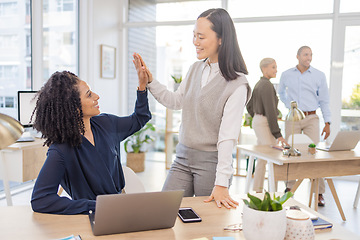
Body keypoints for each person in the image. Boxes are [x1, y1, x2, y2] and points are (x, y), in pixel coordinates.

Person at [133, 8, 251, 209]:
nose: (195, 42)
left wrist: (222, 182)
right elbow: (176, 101)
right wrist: (150, 80)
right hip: (182, 157)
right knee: (163, 211)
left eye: (201, 36)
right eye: (194, 36)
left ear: (221, 39)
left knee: (207, 222)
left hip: (211, 164)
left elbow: (227, 136)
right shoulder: (195, 69)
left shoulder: (237, 84)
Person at [31, 70, 151, 214]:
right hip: (93, 216)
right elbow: (40, 199)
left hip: (122, 208)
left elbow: (140, 118)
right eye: (89, 94)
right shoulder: (61, 150)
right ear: (73, 106)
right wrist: (92, 206)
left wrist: (142, 86)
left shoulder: (107, 124)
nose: (97, 96)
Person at [278, 46, 331, 206]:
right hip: (292, 117)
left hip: (311, 117)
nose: (309, 57)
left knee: (314, 153)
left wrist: (328, 122)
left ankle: (319, 192)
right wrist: (290, 105)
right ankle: (289, 190)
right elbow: (281, 93)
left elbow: (324, 100)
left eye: (311, 55)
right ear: (298, 56)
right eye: (306, 54)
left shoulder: (319, 75)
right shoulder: (286, 74)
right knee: (290, 152)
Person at [246, 58, 289, 193]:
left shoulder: (259, 84)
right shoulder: (267, 86)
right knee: (271, 156)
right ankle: (272, 192)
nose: (276, 70)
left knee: (263, 157)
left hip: (259, 121)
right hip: (264, 123)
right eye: (273, 67)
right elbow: (270, 111)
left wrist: (256, 116)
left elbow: (249, 105)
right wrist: (278, 134)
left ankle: (257, 189)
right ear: (265, 69)